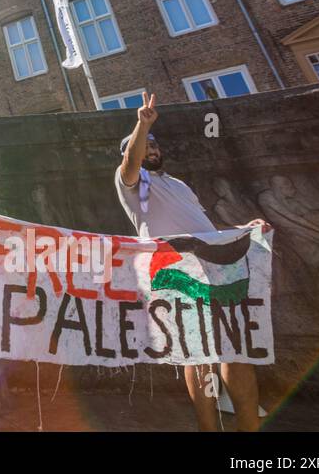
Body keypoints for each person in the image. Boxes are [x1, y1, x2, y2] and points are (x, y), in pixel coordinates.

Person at [116, 92, 271, 432]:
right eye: (145, 147)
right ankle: (208, 429)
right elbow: (130, 163)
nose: (151, 150)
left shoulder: (179, 185)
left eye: (155, 145)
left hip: (215, 269)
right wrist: (142, 126)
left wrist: (243, 230)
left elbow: (205, 231)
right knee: (197, 353)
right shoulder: (134, 184)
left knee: (236, 349)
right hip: (175, 274)